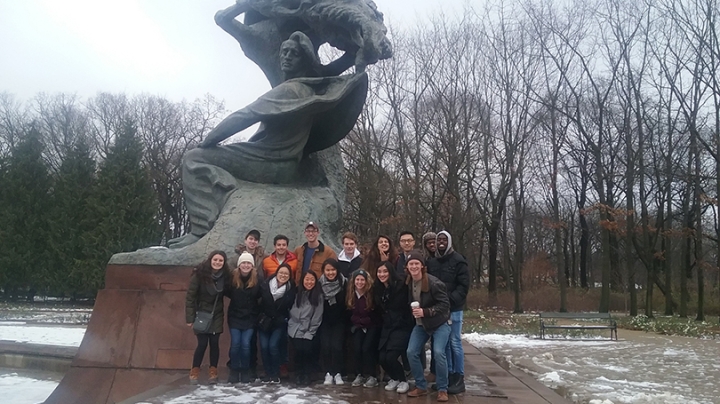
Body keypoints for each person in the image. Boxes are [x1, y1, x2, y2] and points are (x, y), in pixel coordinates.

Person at [169, 31, 368, 248]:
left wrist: (208, 140)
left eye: (294, 54)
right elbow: (330, 71)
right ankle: (227, 190)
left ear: (304, 60)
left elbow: (245, 115)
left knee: (194, 158)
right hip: (286, 165)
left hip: (271, 163)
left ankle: (200, 230)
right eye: (284, 52)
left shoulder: (289, 90)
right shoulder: (309, 88)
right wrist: (353, 55)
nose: (287, 57)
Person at [405, 250, 451, 402]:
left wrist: (426, 312)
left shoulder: (434, 283)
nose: (414, 266)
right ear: (407, 267)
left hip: (439, 323)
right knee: (411, 352)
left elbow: (445, 305)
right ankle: (421, 385)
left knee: (438, 352)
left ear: (422, 266)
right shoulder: (408, 282)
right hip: (421, 324)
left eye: (416, 263)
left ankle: (442, 388)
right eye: (411, 264)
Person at [426, 231, 469, 394]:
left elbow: (463, 286)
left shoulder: (459, 261)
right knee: (444, 345)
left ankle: (459, 377)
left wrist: (449, 301)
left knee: (455, 342)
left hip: (454, 309)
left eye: (444, 240)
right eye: (439, 240)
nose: (441, 242)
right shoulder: (432, 262)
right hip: (439, 310)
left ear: (449, 242)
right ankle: (448, 376)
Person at [185, 250, 231, 385]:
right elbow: (190, 297)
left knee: (215, 343)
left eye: (220, 261)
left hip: (216, 314)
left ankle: (213, 371)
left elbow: (231, 291)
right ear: (210, 260)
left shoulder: (225, 277)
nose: (217, 263)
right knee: (202, 343)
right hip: (201, 314)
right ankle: (195, 370)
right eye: (215, 260)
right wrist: (190, 318)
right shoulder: (199, 275)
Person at [374, 262, 413, 394]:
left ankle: (403, 380)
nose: (382, 274)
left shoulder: (401, 286)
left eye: (385, 272)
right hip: (387, 326)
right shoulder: (379, 288)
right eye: (379, 272)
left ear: (390, 272)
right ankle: (395, 378)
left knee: (391, 356)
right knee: (381, 357)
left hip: (402, 326)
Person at [226, 252, 263, 383]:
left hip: (250, 318)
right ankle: (234, 370)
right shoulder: (232, 279)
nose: (246, 265)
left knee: (246, 345)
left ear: (252, 266)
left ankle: (246, 370)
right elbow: (225, 291)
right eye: (243, 263)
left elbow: (263, 295)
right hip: (235, 317)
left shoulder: (257, 279)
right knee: (236, 344)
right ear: (239, 265)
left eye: (248, 263)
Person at [259, 262, 296, 383]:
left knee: (273, 346)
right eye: (281, 272)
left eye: (286, 274)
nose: (283, 275)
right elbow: (258, 302)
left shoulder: (291, 289)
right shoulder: (265, 284)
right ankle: (267, 372)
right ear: (277, 273)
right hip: (265, 322)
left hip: (279, 323)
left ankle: (275, 373)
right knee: (264, 347)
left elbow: (291, 307)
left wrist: (282, 319)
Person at [347, 269, 382, 388]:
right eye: (357, 279)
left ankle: (372, 375)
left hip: (372, 326)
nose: (360, 282)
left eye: (362, 280)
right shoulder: (351, 294)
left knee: (367, 348)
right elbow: (350, 312)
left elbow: (376, 313)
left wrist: (366, 321)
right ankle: (359, 374)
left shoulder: (371, 294)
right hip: (358, 326)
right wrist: (357, 321)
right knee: (356, 348)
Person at [288, 271, 324, 386]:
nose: (309, 282)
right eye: (307, 279)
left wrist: (310, 332)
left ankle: (307, 374)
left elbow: (317, 317)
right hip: (295, 327)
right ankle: (298, 374)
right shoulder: (297, 293)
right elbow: (291, 311)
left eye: (312, 279)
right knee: (298, 350)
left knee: (307, 350)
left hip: (309, 329)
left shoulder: (318, 296)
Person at [319, 259, 348, 385]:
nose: (330, 273)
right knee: (326, 346)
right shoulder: (319, 284)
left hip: (340, 321)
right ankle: (328, 372)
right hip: (324, 320)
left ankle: (337, 372)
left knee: (337, 347)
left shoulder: (344, 283)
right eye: (328, 270)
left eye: (333, 270)